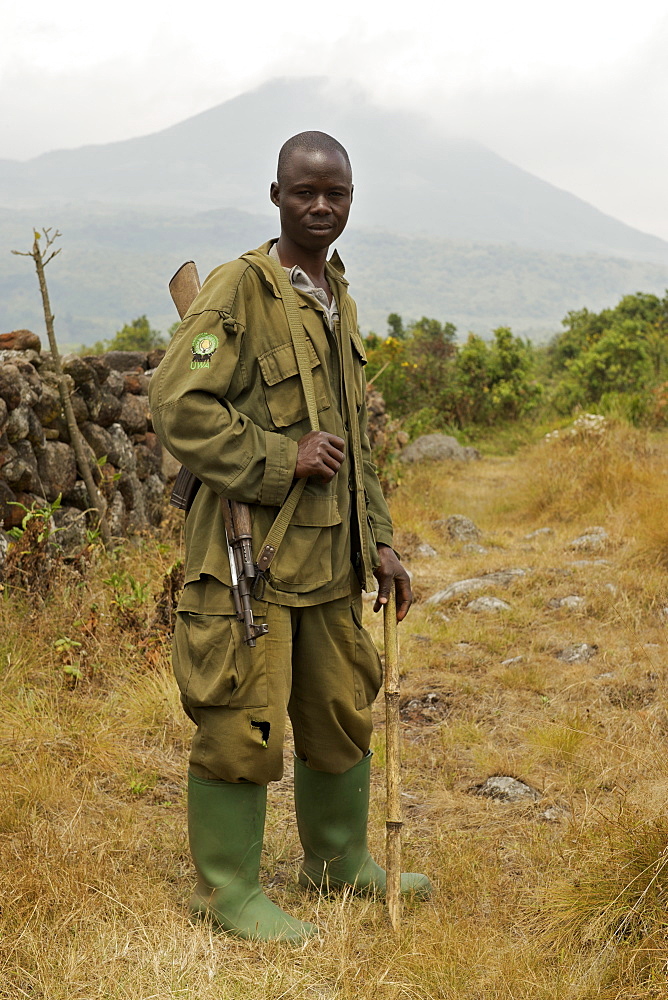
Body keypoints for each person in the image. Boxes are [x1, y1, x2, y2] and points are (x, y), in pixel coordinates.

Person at [149, 131, 431, 942]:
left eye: (335, 193)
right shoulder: (240, 289)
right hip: (252, 562)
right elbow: (178, 404)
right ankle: (227, 890)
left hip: (332, 559)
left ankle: (338, 862)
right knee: (241, 721)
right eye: (304, 191)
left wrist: (379, 540)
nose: (320, 205)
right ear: (275, 195)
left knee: (342, 707)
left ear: (350, 201)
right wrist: (280, 457)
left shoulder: (334, 294)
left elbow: (352, 441)